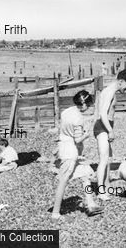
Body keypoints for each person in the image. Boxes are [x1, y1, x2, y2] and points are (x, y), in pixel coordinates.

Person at [52, 90, 102, 219]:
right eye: (88, 105)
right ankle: (55, 213)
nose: (88, 108)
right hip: (71, 151)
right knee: (63, 181)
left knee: (85, 174)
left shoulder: (66, 112)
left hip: (64, 146)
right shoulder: (78, 118)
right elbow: (78, 139)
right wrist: (87, 133)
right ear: (84, 104)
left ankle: (90, 204)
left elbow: (63, 129)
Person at [95, 68, 126, 200]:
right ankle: (100, 191)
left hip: (106, 126)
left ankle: (106, 185)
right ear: (121, 81)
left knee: (109, 158)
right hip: (103, 127)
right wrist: (110, 130)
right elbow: (102, 114)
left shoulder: (112, 91)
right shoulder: (109, 91)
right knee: (103, 159)